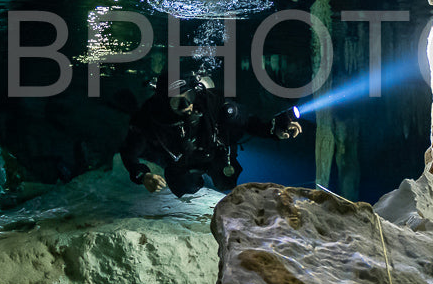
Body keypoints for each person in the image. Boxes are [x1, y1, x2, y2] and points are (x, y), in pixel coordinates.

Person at [119, 71, 301, 197]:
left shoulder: (210, 101)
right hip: (180, 165)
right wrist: (143, 176)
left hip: (215, 155)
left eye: (189, 97)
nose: (187, 107)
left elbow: (248, 123)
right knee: (184, 189)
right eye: (177, 103)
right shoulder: (148, 117)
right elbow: (129, 152)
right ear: (164, 103)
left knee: (227, 182)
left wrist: (273, 130)